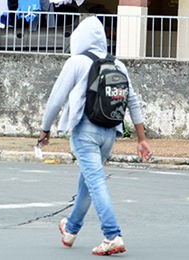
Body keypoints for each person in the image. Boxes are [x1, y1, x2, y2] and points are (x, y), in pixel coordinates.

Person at [39, 16, 152, 256]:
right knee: (88, 182)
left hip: (85, 132)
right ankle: (70, 229)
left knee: (95, 181)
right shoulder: (118, 64)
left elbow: (56, 99)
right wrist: (141, 139)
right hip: (110, 133)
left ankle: (112, 235)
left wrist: (45, 129)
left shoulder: (77, 62)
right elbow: (132, 101)